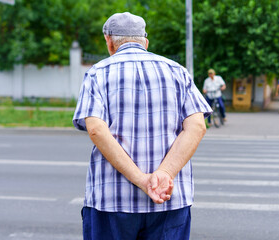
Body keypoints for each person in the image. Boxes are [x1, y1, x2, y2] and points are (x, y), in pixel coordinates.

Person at [72, 12, 212, 240]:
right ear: (145, 42)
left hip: (113, 201)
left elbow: (96, 129)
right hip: (169, 201)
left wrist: (142, 180)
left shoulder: (97, 74)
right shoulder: (177, 71)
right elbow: (197, 126)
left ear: (109, 41)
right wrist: (165, 173)